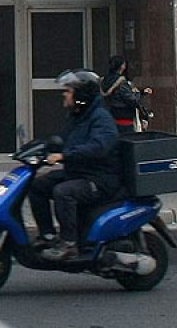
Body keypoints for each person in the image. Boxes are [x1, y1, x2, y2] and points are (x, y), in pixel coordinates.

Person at [26, 69, 122, 262]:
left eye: (69, 90)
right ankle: (48, 236)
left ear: (81, 95)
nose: (64, 94)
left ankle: (69, 244)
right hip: (79, 172)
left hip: (99, 179)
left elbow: (98, 147)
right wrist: (38, 149)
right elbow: (62, 140)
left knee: (64, 192)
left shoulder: (100, 118)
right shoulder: (78, 116)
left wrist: (64, 155)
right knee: (37, 186)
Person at [102, 54, 153, 134]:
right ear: (122, 66)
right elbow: (132, 100)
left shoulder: (104, 80)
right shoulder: (122, 83)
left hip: (110, 117)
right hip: (124, 119)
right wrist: (139, 93)